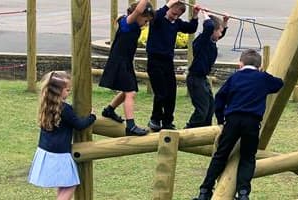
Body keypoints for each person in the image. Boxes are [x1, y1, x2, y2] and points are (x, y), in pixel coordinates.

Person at [194, 49, 284, 200]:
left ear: (240, 64)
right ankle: (243, 193)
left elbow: (220, 98)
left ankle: (205, 191)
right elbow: (279, 84)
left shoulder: (234, 78)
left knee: (221, 155)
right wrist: (263, 75)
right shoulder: (262, 78)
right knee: (248, 158)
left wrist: (221, 119)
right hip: (252, 122)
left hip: (233, 120)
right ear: (260, 66)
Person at [28, 71, 97, 200]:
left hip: (46, 151)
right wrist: (92, 116)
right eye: (67, 90)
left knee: (64, 184)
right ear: (58, 91)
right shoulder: (65, 109)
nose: (69, 92)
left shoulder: (46, 106)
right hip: (59, 154)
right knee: (70, 185)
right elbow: (80, 125)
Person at [98, 0, 154, 136]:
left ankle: (109, 110)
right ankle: (130, 126)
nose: (146, 24)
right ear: (139, 15)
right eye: (145, 20)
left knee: (128, 90)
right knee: (130, 93)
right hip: (119, 61)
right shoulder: (127, 23)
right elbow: (140, 9)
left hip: (125, 61)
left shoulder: (132, 24)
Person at [146, 0, 200, 132]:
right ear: (169, 8)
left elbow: (191, 28)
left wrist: (195, 15)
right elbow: (157, 15)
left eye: (178, 15)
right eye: (173, 13)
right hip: (154, 61)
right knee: (161, 93)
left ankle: (167, 121)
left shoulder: (176, 23)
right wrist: (170, 3)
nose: (174, 17)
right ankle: (155, 119)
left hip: (167, 62)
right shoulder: (157, 20)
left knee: (171, 93)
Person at [185, 11, 229, 129]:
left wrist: (224, 23)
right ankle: (188, 130)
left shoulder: (210, 41)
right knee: (202, 110)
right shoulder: (202, 42)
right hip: (195, 79)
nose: (220, 34)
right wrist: (205, 15)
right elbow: (209, 26)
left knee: (211, 107)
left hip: (202, 79)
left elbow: (217, 31)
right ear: (212, 31)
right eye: (219, 31)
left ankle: (204, 131)